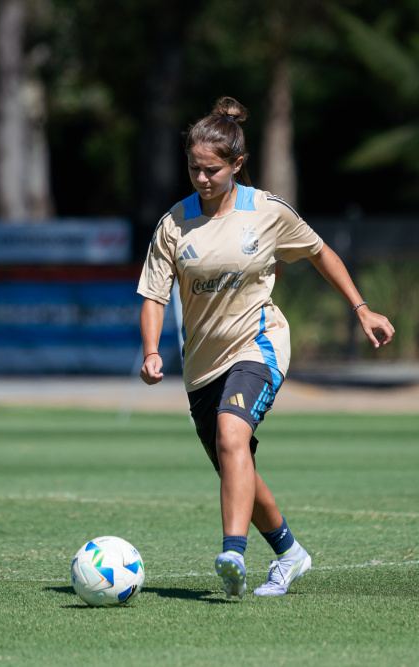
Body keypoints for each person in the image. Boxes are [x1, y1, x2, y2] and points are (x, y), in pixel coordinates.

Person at [137, 96, 394, 599]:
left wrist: (361, 308)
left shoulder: (267, 211)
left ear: (236, 164)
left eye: (211, 169)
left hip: (259, 344)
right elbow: (152, 293)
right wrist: (151, 351)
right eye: (193, 168)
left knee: (233, 437)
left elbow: (321, 253)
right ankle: (290, 554)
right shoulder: (173, 223)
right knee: (237, 467)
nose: (201, 178)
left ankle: (233, 552)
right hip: (201, 368)